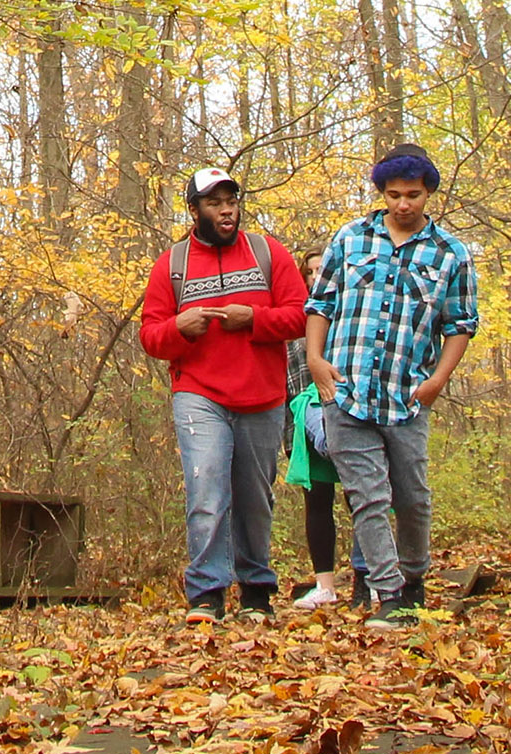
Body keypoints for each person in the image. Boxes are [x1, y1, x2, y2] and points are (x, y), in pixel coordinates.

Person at [305, 143, 478, 628]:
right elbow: (320, 304)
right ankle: (390, 596)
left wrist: (439, 379)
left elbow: (461, 322)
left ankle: (414, 578)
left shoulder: (450, 254)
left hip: (407, 394)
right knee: (367, 496)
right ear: (382, 193)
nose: (404, 204)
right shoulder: (351, 239)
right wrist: (317, 362)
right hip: (348, 390)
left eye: (414, 195)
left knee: (412, 496)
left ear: (428, 195)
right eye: (395, 194)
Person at [140, 166, 308, 625]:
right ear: (195, 210)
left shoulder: (267, 253)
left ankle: (256, 590)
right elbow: (151, 336)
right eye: (214, 203)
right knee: (206, 489)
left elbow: (300, 316)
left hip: (262, 395)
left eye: (231, 200)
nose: (226, 210)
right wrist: (180, 328)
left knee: (255, 496)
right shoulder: (171, 264)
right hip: (199, 394)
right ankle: (207, 594)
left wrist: (252, 320)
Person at [283, 249, 355, 609]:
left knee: (360, 495)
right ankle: (324, 584)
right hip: (304, 416)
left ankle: (369, 578)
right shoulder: (294, 319)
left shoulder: (348, 316)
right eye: (308, 271)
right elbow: (284, 378)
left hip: (346, 413)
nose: (314, 276)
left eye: (320, 270)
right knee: (317, 500)